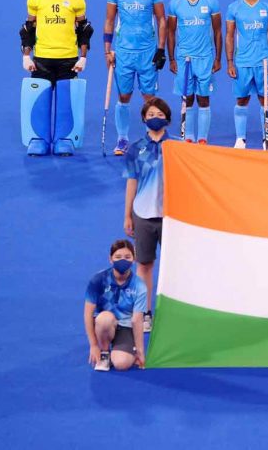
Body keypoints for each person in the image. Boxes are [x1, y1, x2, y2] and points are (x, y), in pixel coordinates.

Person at [21, 0, 92, 155]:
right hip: (42, 58)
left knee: (65, 100)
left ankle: (63, 139)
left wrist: (83, 57)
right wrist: (26, 55)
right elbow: (29, 29)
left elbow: (84, 30)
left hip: (68, 59)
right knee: (41, 99)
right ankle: (39, 139)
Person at [104, 0, 166, 155]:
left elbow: (161, 20)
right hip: (123, 52)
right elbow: (110, 21)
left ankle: (152, 137)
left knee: (150, 98)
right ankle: (122, 139)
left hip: (147, 52)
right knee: (124, 96)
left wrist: (160, 49)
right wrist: (107, 50)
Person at [122, 97, 171, 333]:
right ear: (143, 119)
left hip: (172, 216)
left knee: (173, 266)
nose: (155, 118)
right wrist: (128, 216)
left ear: (168, 119)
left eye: (159, 115)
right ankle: (146, 313)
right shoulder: (135, 149)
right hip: (143, 214)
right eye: (151, 115)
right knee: (145, 266)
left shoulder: (178, 147)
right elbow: (131, 183)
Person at [166, 0, 221, 144]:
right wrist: (172, 58)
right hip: (184, 59)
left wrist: (218, 58)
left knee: (204, 98)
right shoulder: (175, 4)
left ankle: (203, 139)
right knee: (187, 98)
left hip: (205, 58)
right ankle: (188, 137)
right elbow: (170, 32)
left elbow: (218, 31)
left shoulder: (211, 2)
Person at [225, 0, 268, 150]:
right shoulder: (234, 8)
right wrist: (230, 62)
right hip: (242, 62)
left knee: (266, 100)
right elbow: (229, 36)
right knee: (241, 100)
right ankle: (241, 139)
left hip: (264, 61)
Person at [83, 239, 147, 372]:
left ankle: (121, 348)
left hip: (125, 326)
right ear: (110, 259)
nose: (122, 260)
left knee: (122, 364)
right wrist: (94, 345)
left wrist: (140, 351)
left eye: (127, 257)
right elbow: (88, 314)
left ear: (133, 259)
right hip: (104, 324)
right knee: (104, 318)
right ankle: (105, 352)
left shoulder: (139, 286)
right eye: (118, 257)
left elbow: (136, 320)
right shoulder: (98, 280)